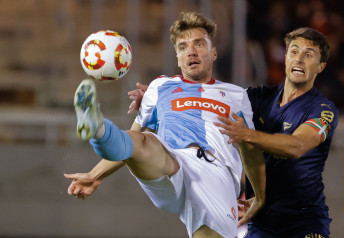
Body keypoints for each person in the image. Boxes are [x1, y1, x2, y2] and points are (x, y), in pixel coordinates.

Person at [64, 11, 266, 238]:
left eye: (199, 44)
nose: (191, 52)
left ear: (214, 52)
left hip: (215, 172)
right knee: (142, 141)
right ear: (178, 58)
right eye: (182, 47)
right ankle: (98, 128)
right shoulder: (159, 88)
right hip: (172, 161)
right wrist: (94, 174)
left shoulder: (237, 95)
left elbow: (250, 149)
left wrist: (257, 196)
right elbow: (131, 138)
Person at [129, 27, 339, 238]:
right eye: (294, 52)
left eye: (308, 55)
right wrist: (157, 100)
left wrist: (247, 134)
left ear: (321, 67)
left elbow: (297, 146)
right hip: (259, 217)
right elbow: (211, 100)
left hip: (304, 221)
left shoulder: (323, 109)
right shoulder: (256, 98)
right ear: (285, 59)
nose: (299, 59)